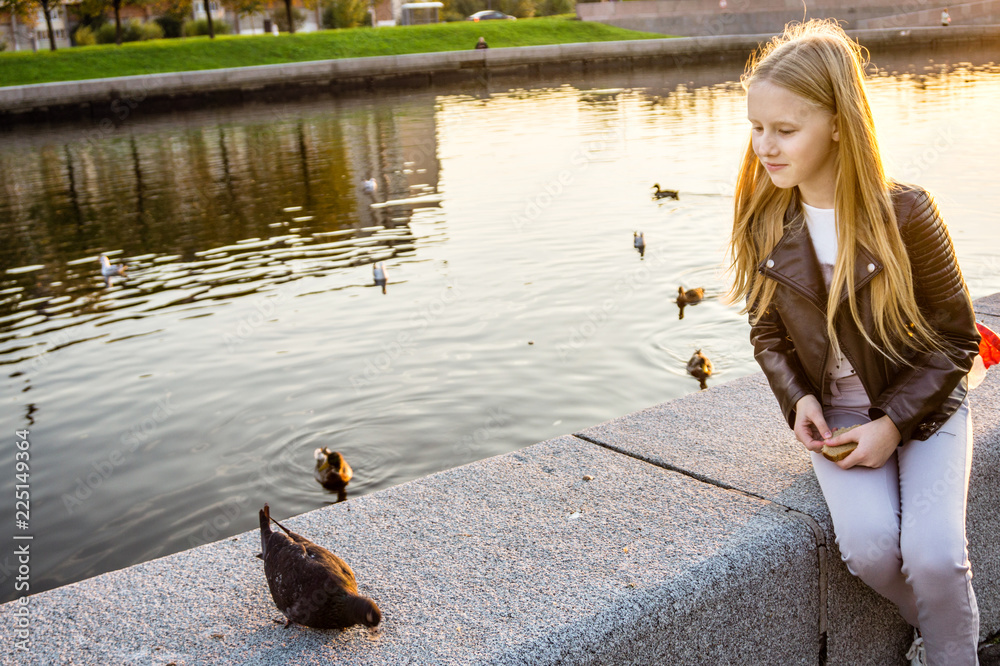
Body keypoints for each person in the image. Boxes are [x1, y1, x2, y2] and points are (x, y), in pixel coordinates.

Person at [727, 20, 980, 666]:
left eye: (785, 130)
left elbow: (956, 339)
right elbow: (766, 331)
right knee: (869, 550)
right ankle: (942, 635)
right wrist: (798, 400)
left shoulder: (908, 213)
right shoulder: (765, 219)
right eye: (757, 128)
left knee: (936, 558)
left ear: (838, 123)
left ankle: (952, 654)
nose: (765, 147)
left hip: (922, 407)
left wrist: (894, 426)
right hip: (836, 414)